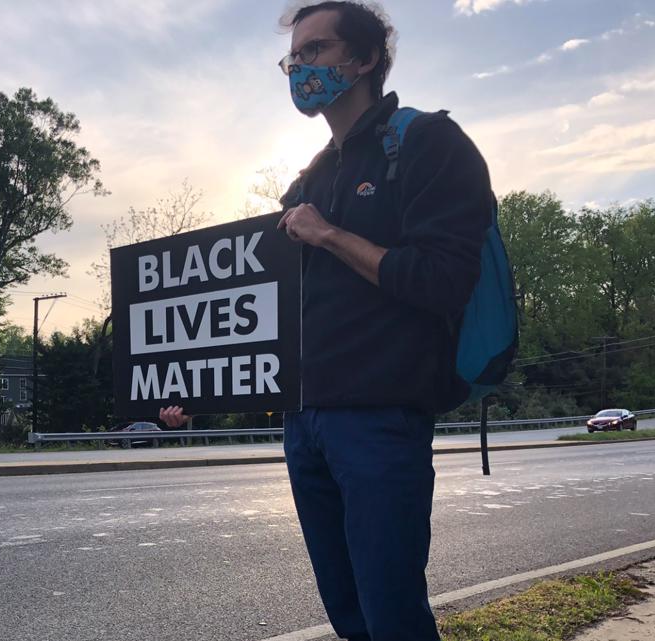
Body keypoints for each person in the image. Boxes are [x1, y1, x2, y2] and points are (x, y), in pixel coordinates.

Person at [160, 2, 494, 639]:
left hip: (380, 419)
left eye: (315, 51)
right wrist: (197, 395)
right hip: (304, 424)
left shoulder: (425, 143)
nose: (299, 67)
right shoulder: (307, 178)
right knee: (349, 617)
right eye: (293, 57)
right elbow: (275, 318)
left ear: (365, 58)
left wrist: (330, 234)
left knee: (392, 614)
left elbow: (442, 281)